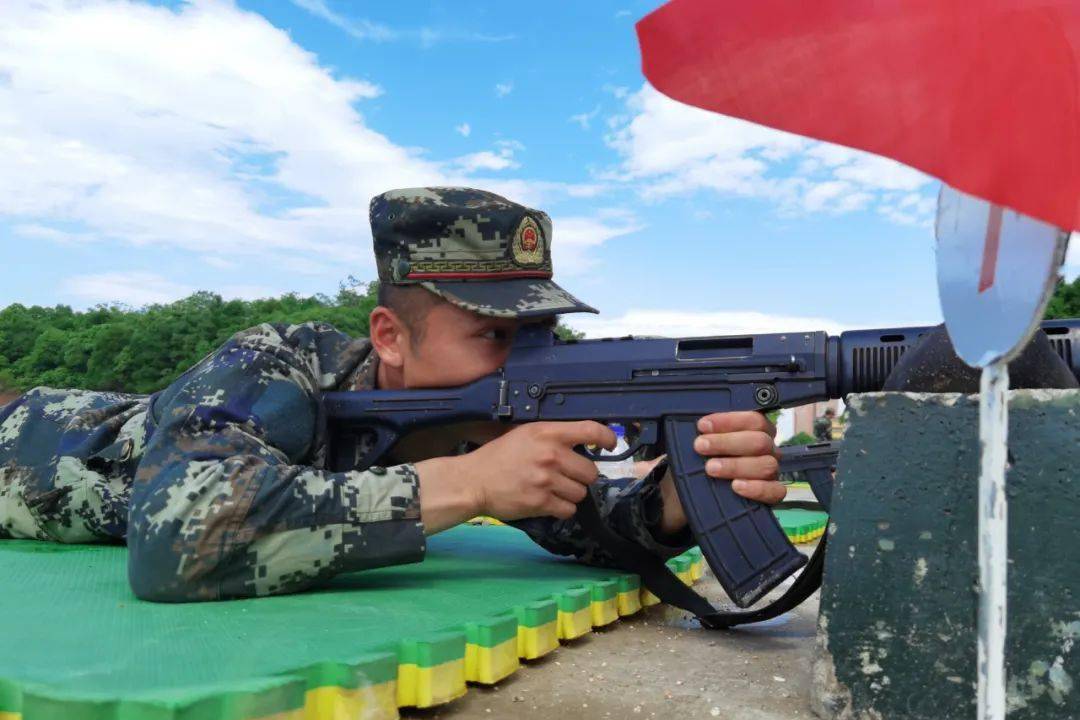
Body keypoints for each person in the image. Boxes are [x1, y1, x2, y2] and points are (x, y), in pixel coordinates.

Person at [0, 187, 784, 603]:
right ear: (388, 337)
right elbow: (175, 542)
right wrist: (469, 484)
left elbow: (587, 528)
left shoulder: (488, 416)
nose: (530, 358)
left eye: (542, 331)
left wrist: (673, 502)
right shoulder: (278, 363)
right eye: (494, 333)